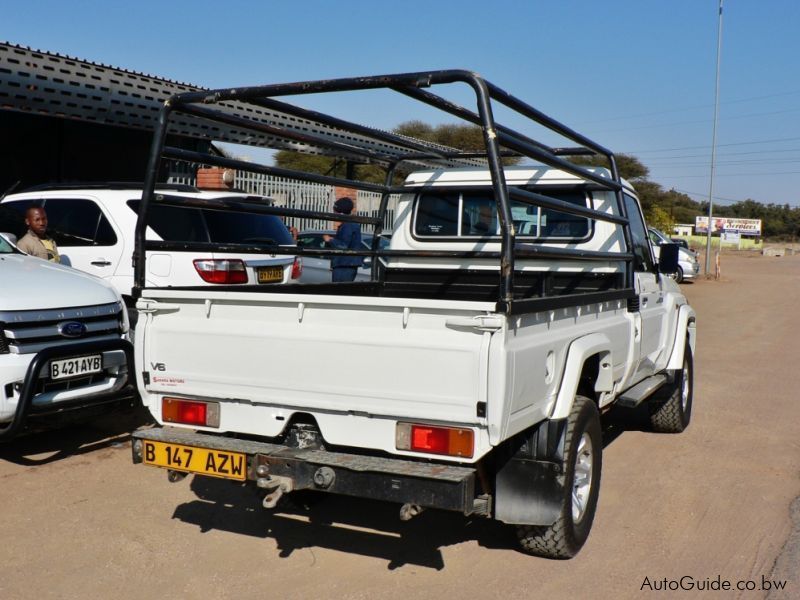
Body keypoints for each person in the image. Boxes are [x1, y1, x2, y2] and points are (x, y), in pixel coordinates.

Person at [323, 197, 362, 282]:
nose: (334, 213)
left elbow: (343, 245)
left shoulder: (347, 225)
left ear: (339, 211)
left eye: (335, 211)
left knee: (339, 292)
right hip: (346, 264)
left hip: (344, 265)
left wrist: (330, 239)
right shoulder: (350, 224)